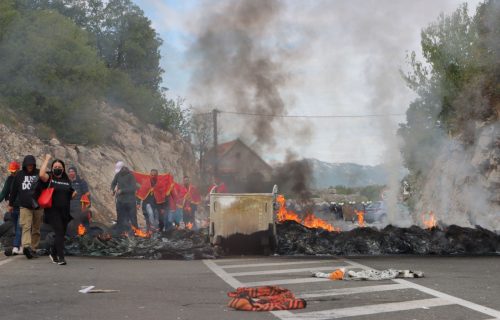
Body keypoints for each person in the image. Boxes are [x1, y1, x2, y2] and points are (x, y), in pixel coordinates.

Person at [39, 155, 76, 265]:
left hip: (64, 211)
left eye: (59, 166)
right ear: (52, 168)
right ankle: (61, 257)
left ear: (63, 169)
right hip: (52, 211)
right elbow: (41, 174)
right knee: (59, 231)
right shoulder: (50, 177)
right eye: (55, 166)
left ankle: (53, 253)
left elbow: (70, 193)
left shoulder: (66, 180)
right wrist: (46, 159)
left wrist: (74, 194)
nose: (57, 168)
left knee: (61, 234)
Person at [8, 155, 42, 259]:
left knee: (36, 228)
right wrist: (10, 204)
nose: (30, 166)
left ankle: (33, 248)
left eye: (32, 164)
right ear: (25, 165)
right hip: (24, 206)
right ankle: (27, 247)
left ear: (34, 164)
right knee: (25, 226)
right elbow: (13, 190)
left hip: (38, 206)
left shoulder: (39, 173)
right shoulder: (19, 175)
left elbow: (47, 184)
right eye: (28, 164)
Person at [0, 161, 22, 254]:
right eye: (11, 171)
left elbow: (4, 193)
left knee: (18, 227)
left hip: (21, 206)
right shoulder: (16, 178)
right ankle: (17, 246)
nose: (12, 173)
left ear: (18, 169)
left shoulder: (20, 178)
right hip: (14, 207)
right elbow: (4, 193)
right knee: (18, 227)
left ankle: (17, 246)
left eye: (14, 171)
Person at [111, 161, 138, 233]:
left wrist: (122, 190)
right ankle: (121, 232)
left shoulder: (130, 175)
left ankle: (136, 232)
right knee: (120, 217)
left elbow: (133, 187)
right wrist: (113, 190)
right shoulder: (118, 175)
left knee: (132, 218)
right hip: (120, 200)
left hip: (130, 201)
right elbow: (113, 183)